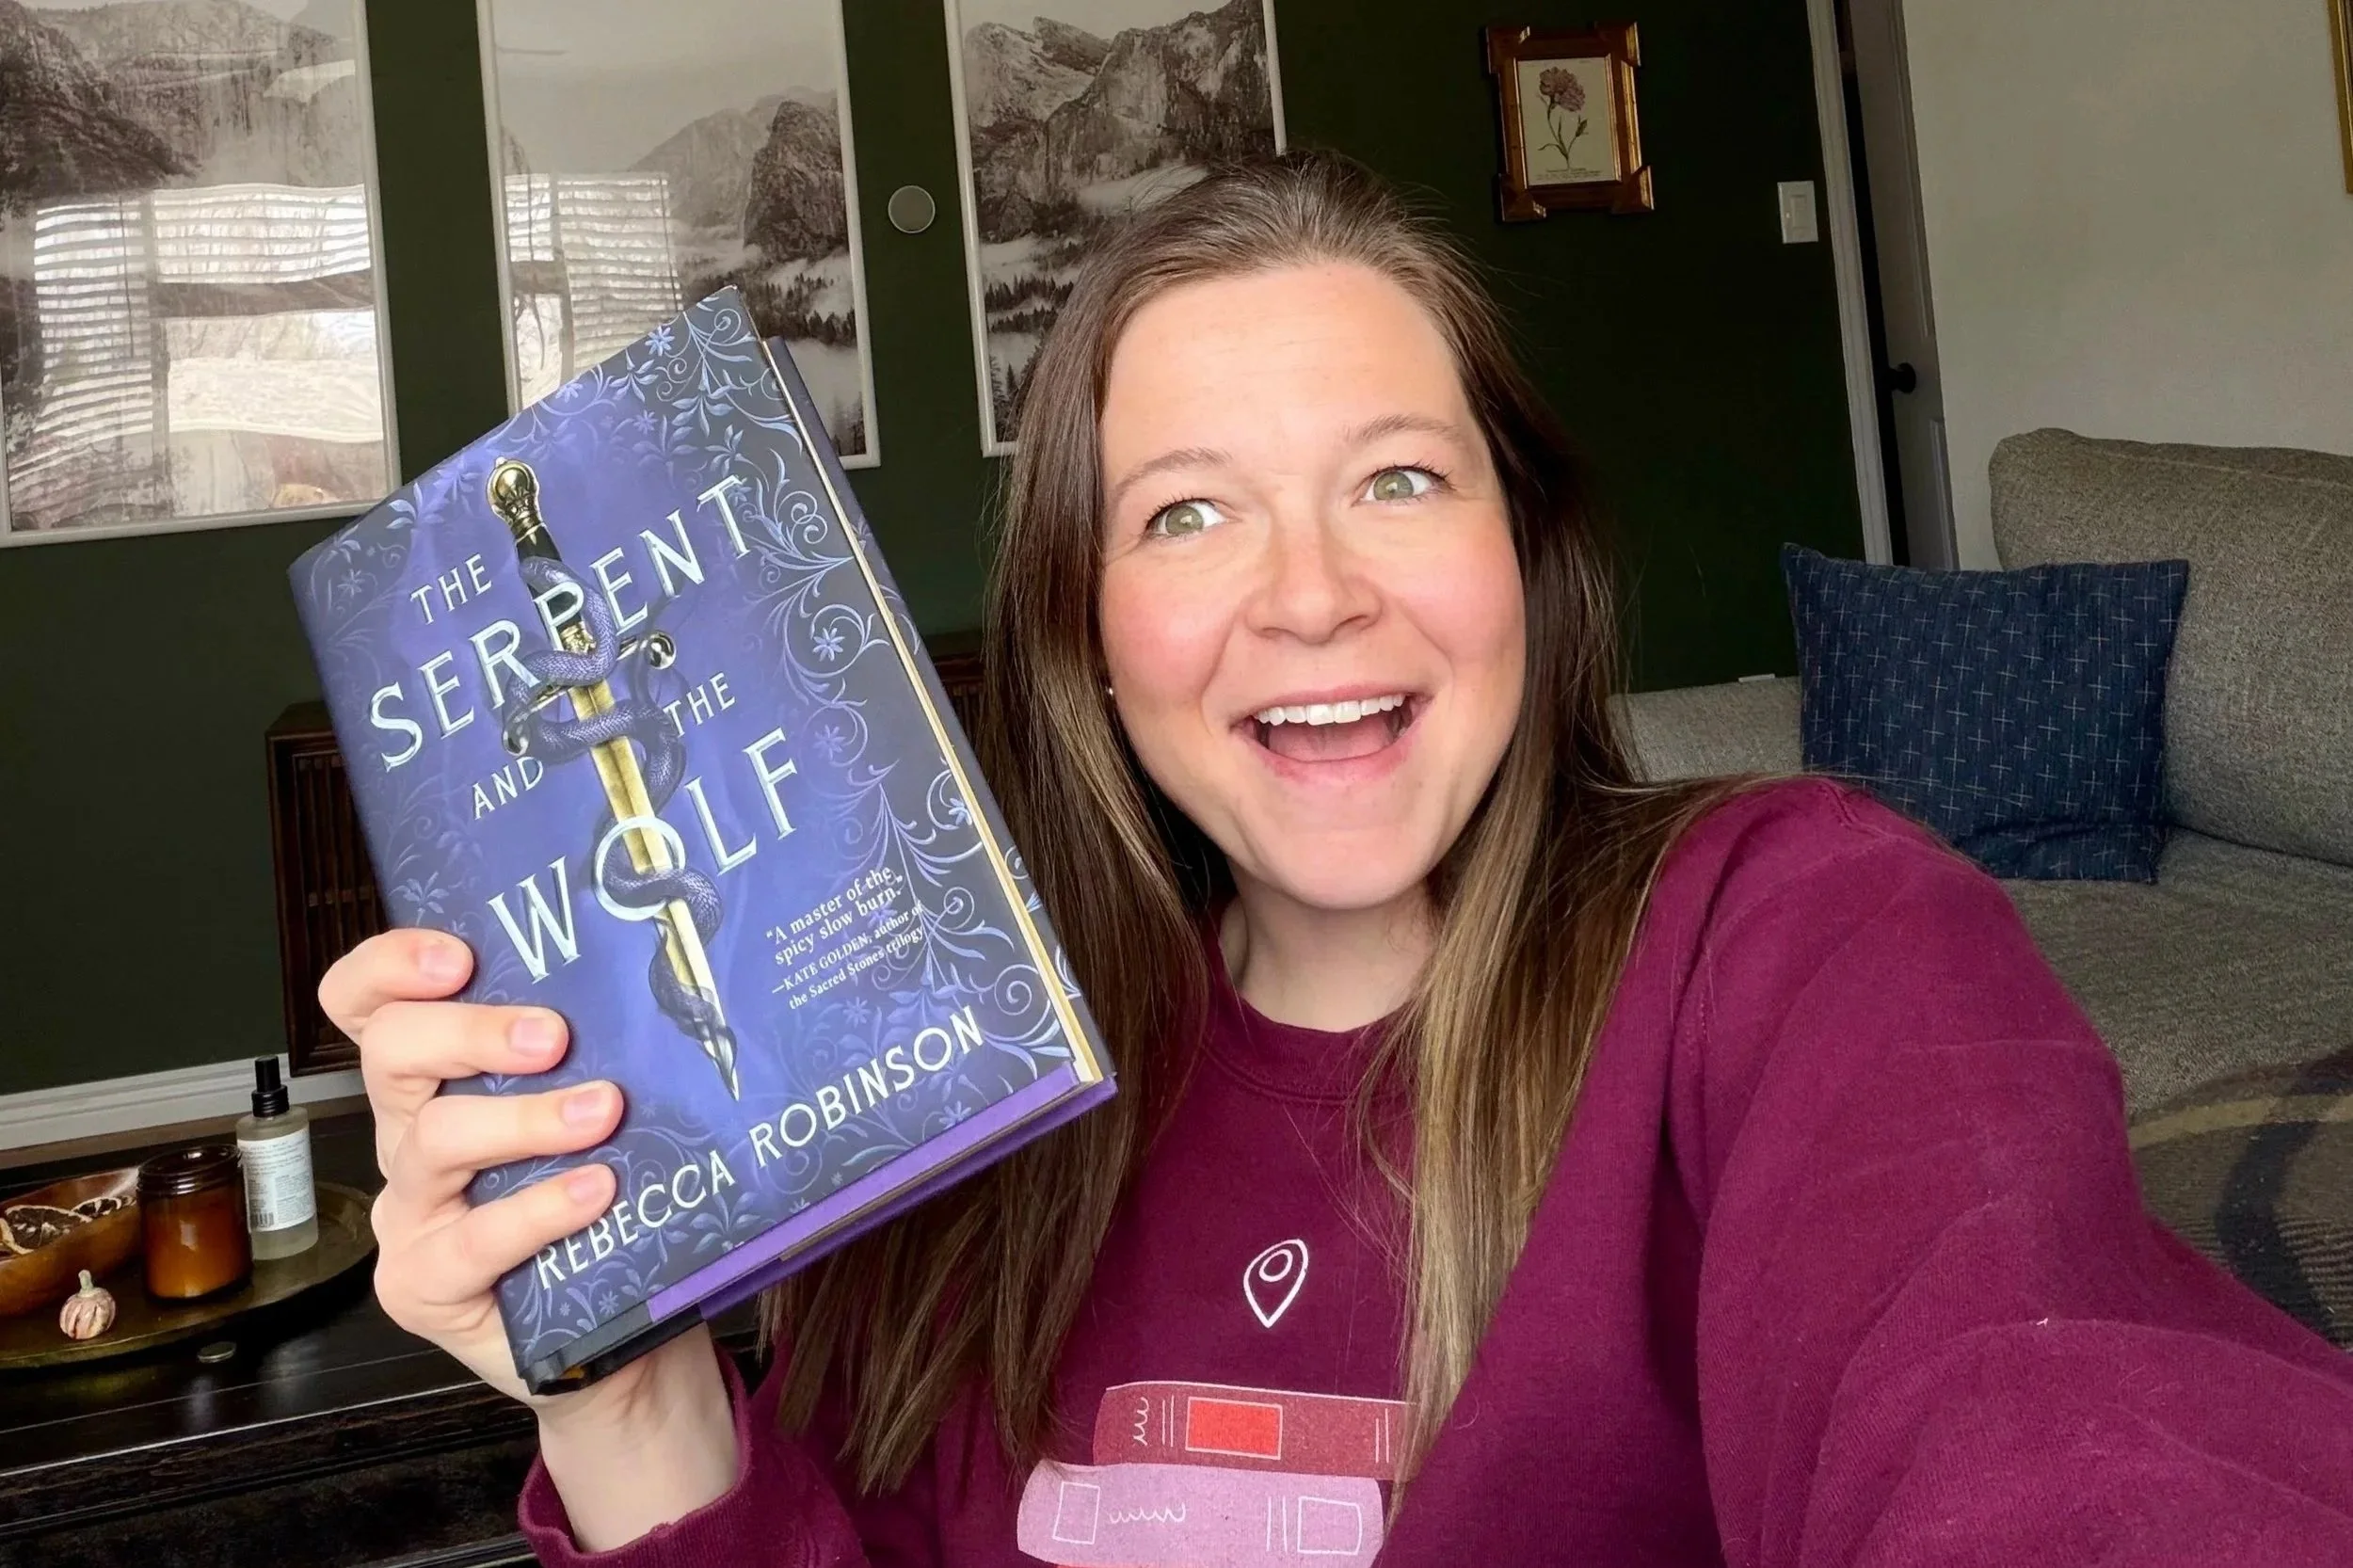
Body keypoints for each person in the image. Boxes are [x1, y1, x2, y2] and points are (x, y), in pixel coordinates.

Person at [325, 152, 2353, 1567]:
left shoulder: (1803, 932)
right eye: (1188, 514)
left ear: (1522, 556)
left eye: (1395, 477)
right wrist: (613, 1369)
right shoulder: (957, 1112)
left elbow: (2053, 1408)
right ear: (1085, 636)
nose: (1307, 596)